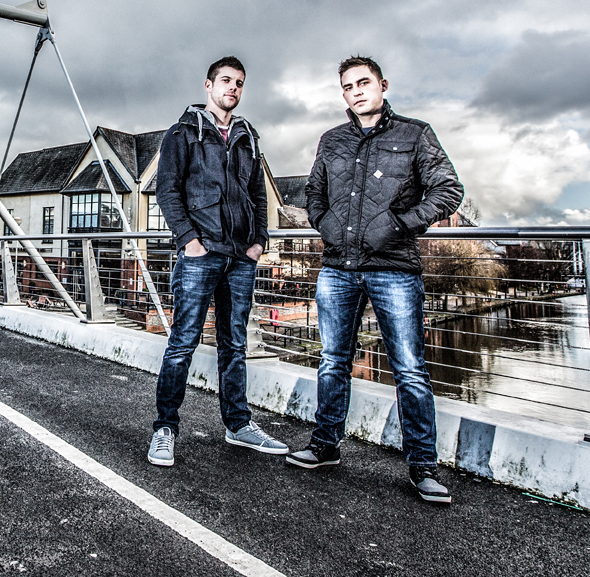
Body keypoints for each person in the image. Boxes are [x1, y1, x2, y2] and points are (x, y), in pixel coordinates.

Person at [288, 56, 463, 503]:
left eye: (363, 83)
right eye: (348, 87)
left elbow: (448, 190)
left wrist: (399, 224)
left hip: (393, 268)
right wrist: (325, 224)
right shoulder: (332, 140)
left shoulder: (415, 134)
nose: (356, 92)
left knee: (410, 369)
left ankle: (423, 466)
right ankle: (325, 445)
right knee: (333, 361)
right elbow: (313, 193)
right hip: (338, 268)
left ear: (383, 85)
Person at [147, 56, 288, 466]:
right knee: (182, 343)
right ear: (208, 85)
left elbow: (258, 195)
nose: (233, 88)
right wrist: (189, 241)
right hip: (201, 254)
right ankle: (165, 429)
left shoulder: (248, 137)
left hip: (240, 257)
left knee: (235, 344)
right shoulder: (182, 133)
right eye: (226, 80)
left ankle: (238, 425)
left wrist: (258, 241)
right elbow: (167, 191)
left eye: (239, 83)